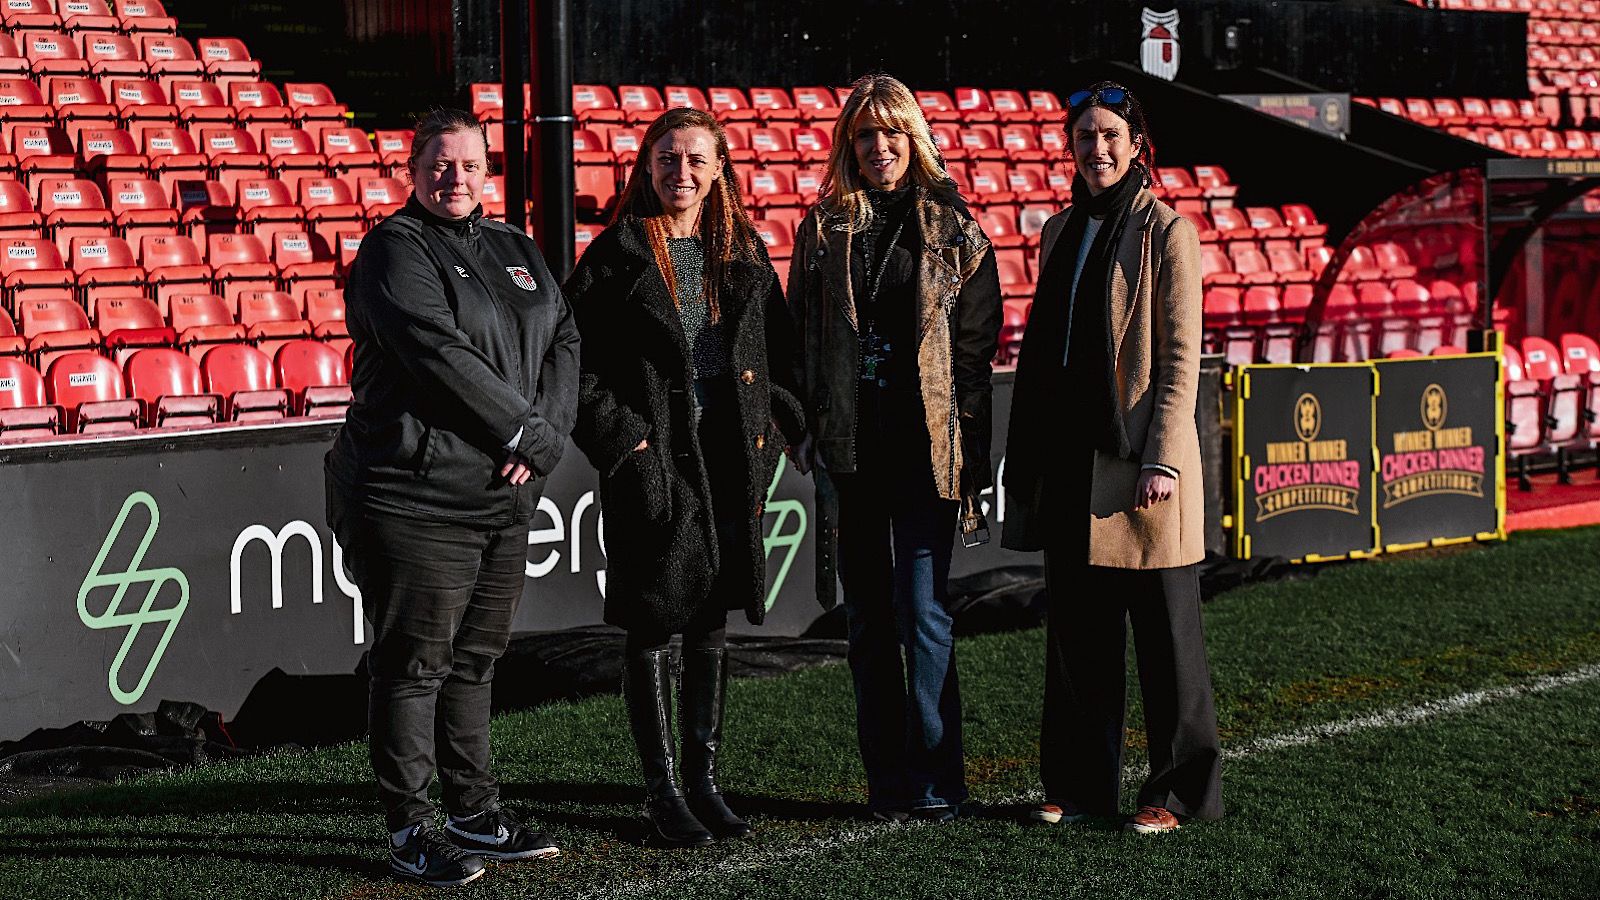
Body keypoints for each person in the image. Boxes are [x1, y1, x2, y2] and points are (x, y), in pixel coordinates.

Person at [325, 108, 580, 886]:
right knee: (414, 664)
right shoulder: (393, 250)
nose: (455, 178)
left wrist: (547, 436)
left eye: (470, 165)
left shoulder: (515, 247)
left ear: (487, 171)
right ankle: (410, 829)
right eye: (440, 164)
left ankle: (475, 811)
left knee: (476, 658)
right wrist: (525, 435)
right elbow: (438, 355)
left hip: (502, 495)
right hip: (414, 494)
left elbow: (565, 338)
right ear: (413, 169)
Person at [566, 106, 805, 848]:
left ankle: (704, 782)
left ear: (719, 169)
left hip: (730, 459)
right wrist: (629, 446)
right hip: (657, 461)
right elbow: (573, 369)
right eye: (668, 158)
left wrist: (780, 435)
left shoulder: (743, 252)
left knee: (710, 619)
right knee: (652, 622)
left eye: (698, 159)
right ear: (646, 166)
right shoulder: (615, 256)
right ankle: (662, 792)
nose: (683, 173)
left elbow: (780, 357)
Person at [1002, 81, 1223, 835]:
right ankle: (1077, 783)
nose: (1095, 149)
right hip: (1071, 459)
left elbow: (1180, 357)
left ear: (1137, 147)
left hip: (1142, 466)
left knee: (1166, 640)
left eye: (1109, 136)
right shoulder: (1058, 228)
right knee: (1077, 638)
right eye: (1083, 136)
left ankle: (1178, 793)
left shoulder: (1168, 230)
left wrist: (1164, 456)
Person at [788, 73, 1001, 823]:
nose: (880, 148)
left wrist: (970, 455)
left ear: (914, 138)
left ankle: (938, 782)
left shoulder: (956, 227)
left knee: (924, 612)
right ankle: (886, 783)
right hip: (850, 453)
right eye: (865, 135)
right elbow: (795, 341)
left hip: (924, 452)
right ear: (849, 142)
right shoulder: (821, 228)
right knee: (869, 623)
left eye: (892, 133)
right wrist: (801, 430)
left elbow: (974, 354)